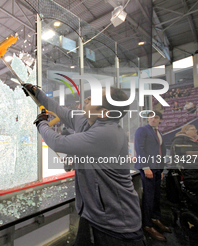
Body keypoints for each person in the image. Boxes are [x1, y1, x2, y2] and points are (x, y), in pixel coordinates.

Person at [23, 84, 144, 246]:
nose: (86, 99)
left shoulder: (108, 133)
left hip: (116, 227)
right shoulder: (88, 122)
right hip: (94, 216)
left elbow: (59, 142)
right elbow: (61, 112)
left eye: (93, 98)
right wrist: (37, 92)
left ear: (103, 112)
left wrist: (41, 124)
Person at [134, 111, 171, 242]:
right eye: (150, 117)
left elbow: (161, 151)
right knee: (149, 197)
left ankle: (156, 218)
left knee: (156, 195)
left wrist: (160, 170)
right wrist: (145, 167)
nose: (152, 119)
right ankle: (147, 225)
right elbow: (140, 149)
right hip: (148, 168)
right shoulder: (142, 130)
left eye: (155, 117)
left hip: (156, 168)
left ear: (160, 119)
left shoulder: (158, 132)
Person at [171, 125, 198, 193]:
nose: (195, 131)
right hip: (189, 169)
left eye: (195, 129)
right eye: (192, 129)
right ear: (186, 131)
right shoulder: (180, 140)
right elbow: (180, 153)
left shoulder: (195, 141)